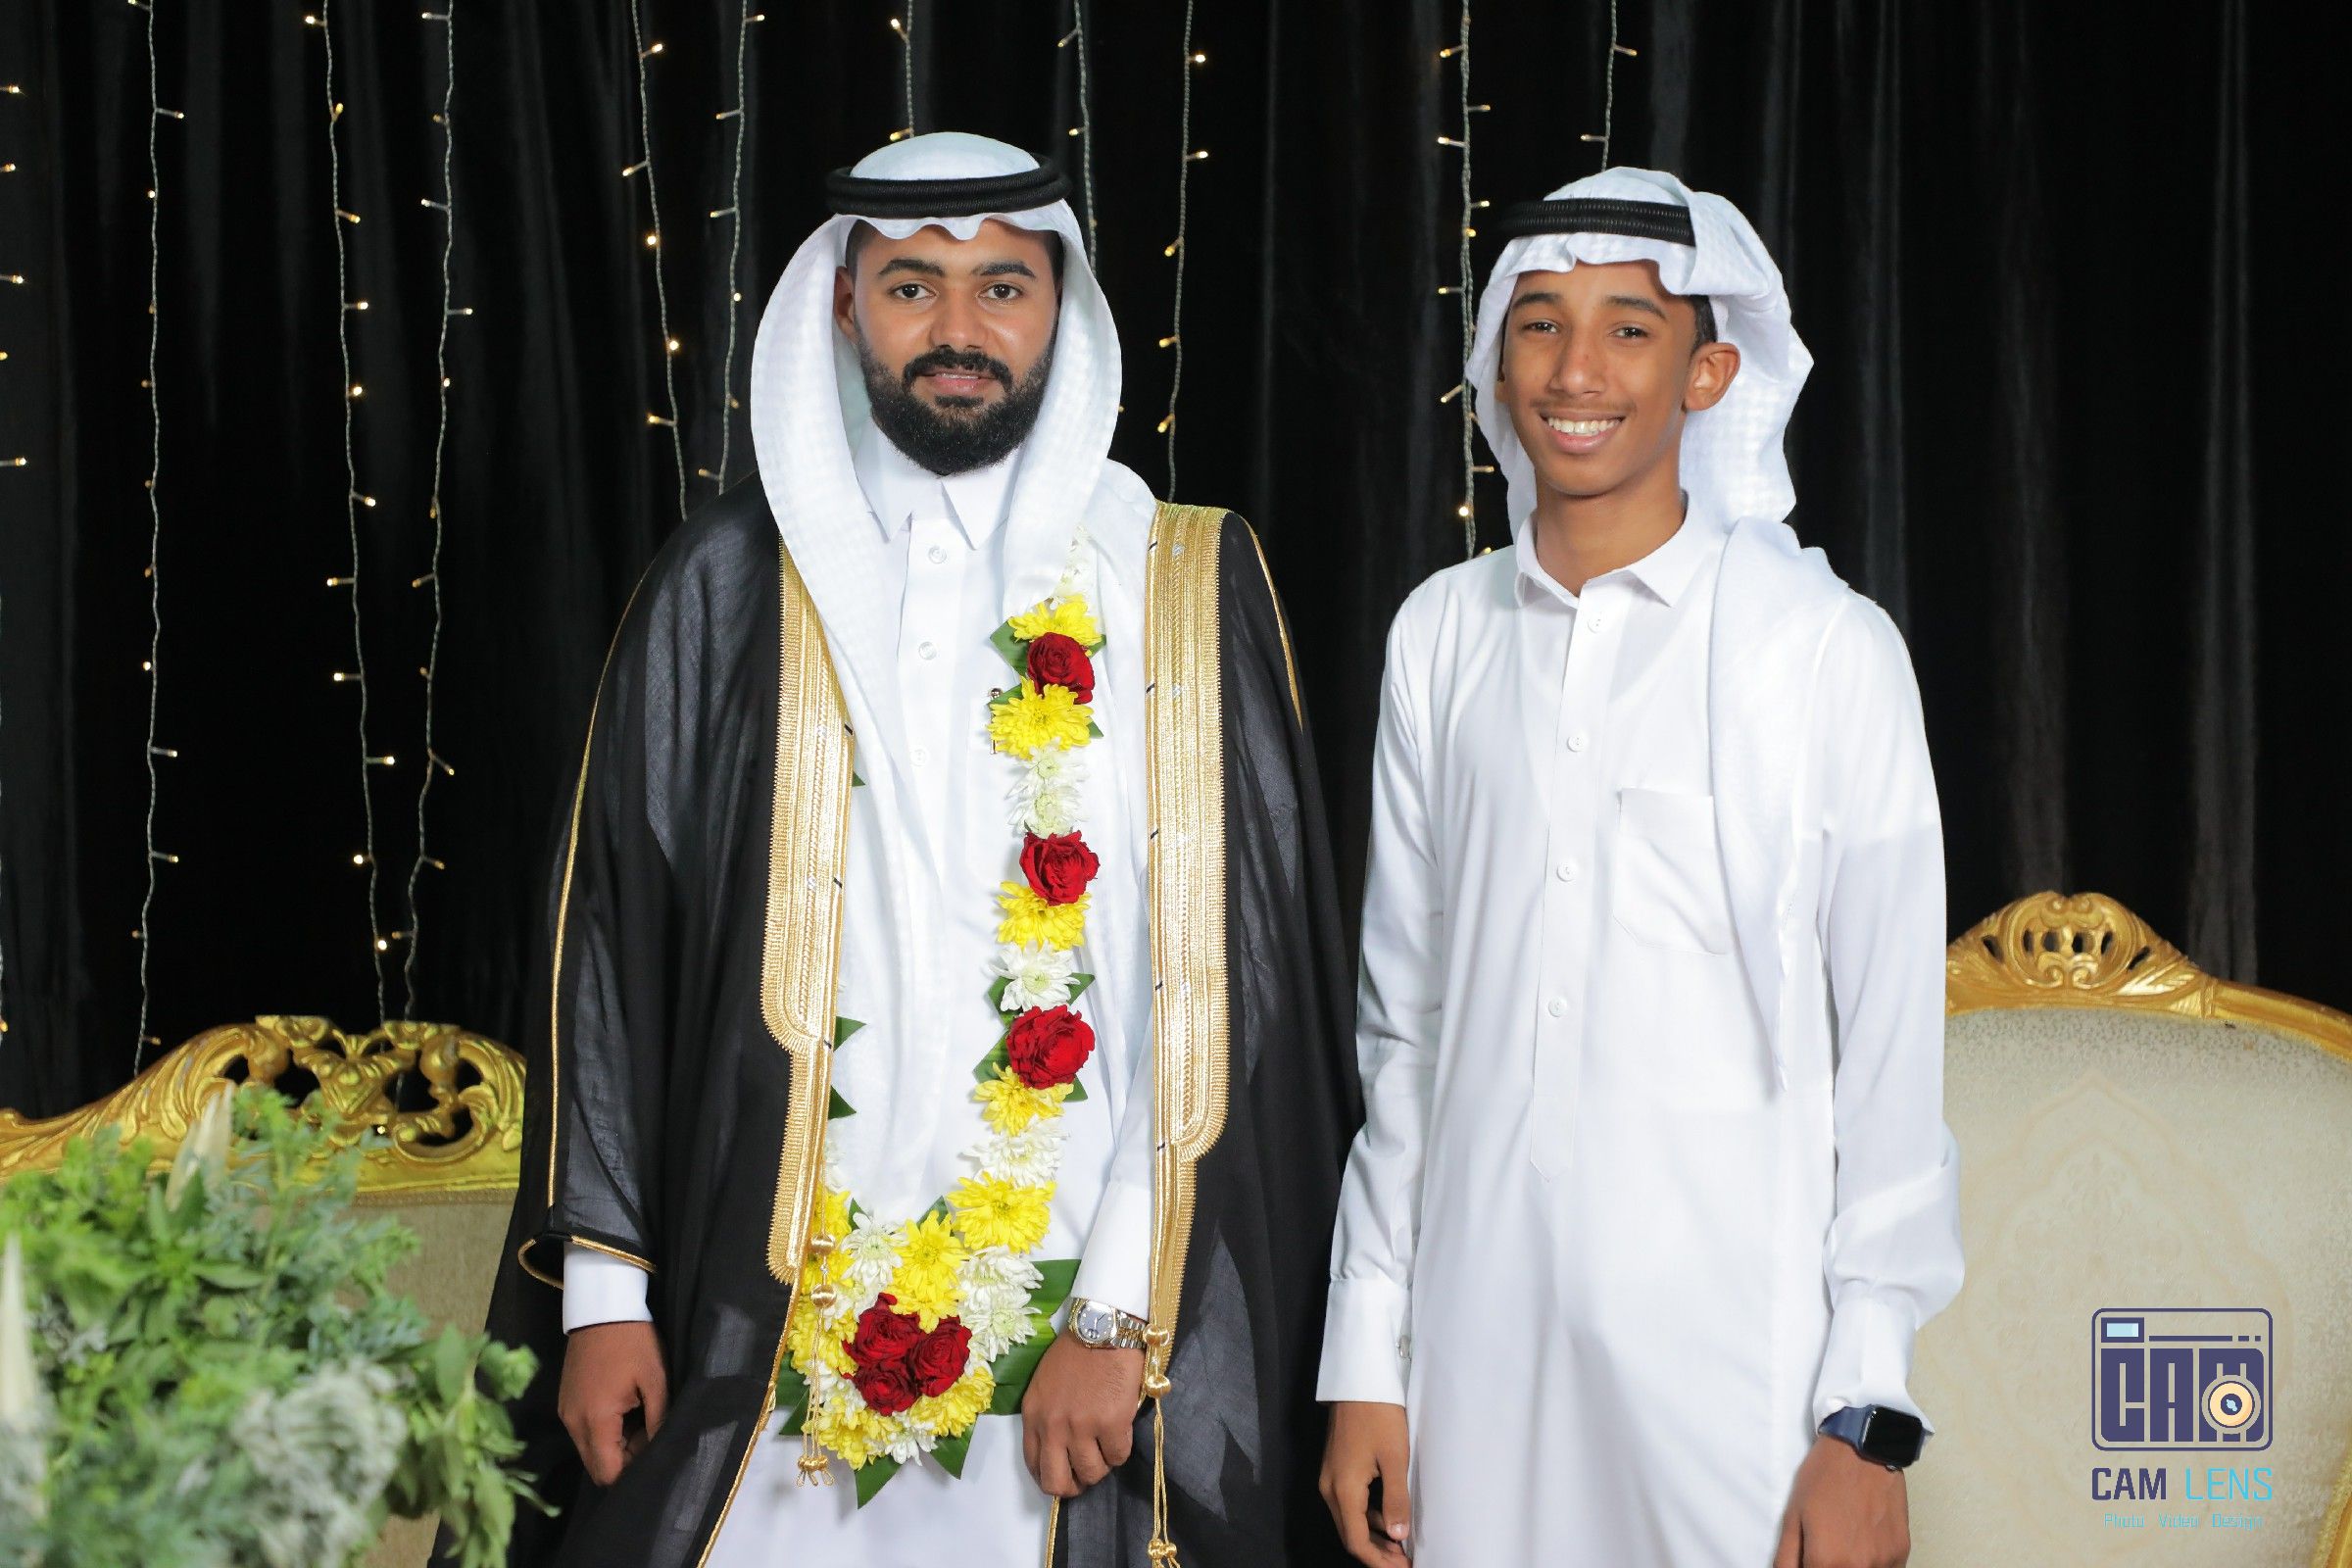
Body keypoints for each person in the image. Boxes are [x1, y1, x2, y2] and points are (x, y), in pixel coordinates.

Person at [469, 132, 1357, 1568]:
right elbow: (614, 948)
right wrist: (604, 1298)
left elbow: (1224, 987)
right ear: (843, 306)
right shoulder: (723, 587)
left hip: (1079, 1343)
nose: (958, 329)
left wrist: (1117, 1315)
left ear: (1061, 308)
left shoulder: (1174, 582)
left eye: (1002, 287)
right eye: (910, 288)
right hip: (758, 1332)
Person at [1315, 167, 1964, 1568]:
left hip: (1739, 1379)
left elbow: (1892, 1070)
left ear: (1708, 373)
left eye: (1629, 328)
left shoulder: (1825, 651)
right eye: (1540, 324)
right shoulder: (1442, 634)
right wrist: (1368, 1356)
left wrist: (1866, 1419)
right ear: (1497, 364)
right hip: (1476, 1362)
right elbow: (1406, 1036)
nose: (1577, 370)